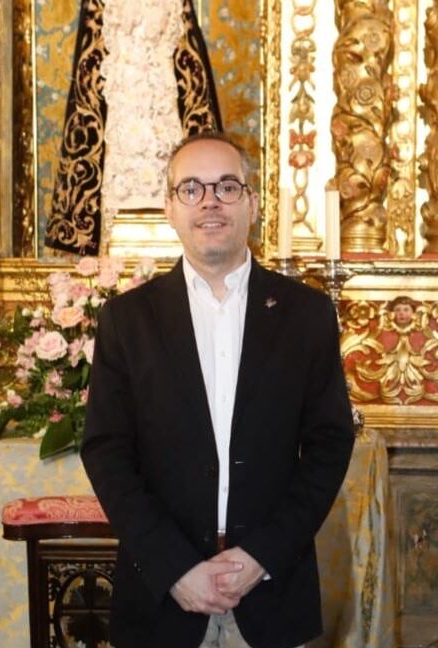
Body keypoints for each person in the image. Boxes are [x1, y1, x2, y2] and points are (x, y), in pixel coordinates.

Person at [81, 132, 354, 648]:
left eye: (227, 186)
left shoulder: (306, 314)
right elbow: (106, 451)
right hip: (163, 599)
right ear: (169, 207)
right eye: (192, 188)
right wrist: (173, 567)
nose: (210, 201)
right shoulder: (127, 320)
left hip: (272, 596)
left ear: (251, 203)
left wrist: (263, 557)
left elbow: (329, 445)